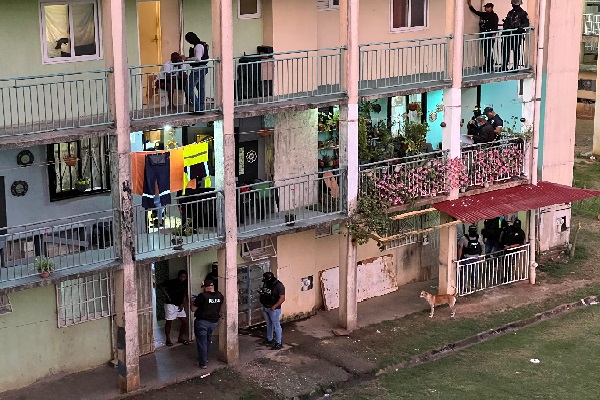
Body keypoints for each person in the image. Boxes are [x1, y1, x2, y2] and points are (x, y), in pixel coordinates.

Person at [191, 279, 223, 369]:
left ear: (205, 287)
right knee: (208, 340)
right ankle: (206, 358)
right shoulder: (220, 295)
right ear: (212, 286)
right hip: (214, 323)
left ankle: (202, 363)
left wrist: (192, 301)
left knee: (202, 342)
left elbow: (193, 309)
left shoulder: (202, 296)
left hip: (202, 322)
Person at [158, 270, 189, 346]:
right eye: (181, 277)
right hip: (170, 304)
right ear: (178, 276)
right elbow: (159, 285)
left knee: (184, 322)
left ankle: (180, 338)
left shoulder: (185, 283)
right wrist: (167, 295)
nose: (182, 278)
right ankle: (168, 339)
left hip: (179, 305)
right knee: (169, 322)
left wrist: (183, 304)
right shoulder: (172, 282)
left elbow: (185, 295)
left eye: (184, 277)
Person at [467, 1, 499, 72]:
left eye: (487, 7)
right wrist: (470, 6)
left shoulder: (494, 16)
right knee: (485, 50)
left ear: (491, 8)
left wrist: (494, 34)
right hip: (483, 34)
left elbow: (495, 26)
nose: (485, 9)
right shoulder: (484, 14)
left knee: (489, 51)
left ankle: (490, 65)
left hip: (489, 35)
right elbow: (476, 12)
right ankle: (486, 64)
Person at [183, 32, 209, 113]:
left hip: (198, 69)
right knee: (201, 88)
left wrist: (187, 59)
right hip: (203, 68)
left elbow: (198, 59)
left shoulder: (198, 46)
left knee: (188, 88)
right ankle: (200, 108)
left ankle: (197, 107)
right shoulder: (202, 45)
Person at [259, 272, 286, 350]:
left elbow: (282, 298)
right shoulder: (266, 283)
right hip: (266, 306)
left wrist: (274, 307)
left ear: (270, 278)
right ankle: (269, 339)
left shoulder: (279, 285)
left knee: (276, 325)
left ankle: (279, 342)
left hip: (274, 309)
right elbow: (266, 293)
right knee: (269, 324)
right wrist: (261, 293)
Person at [501, 0, 530, 72]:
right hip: (508, 34)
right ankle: (504, 66)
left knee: (516, 51)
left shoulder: (523, 13)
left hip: (516, 35)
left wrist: (519, 27)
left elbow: (526, 23)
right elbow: (507, 22)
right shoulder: (510, 13)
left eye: (514, 5)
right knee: (505, 50)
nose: (513, 6)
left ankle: (515, 67)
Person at [457, 224, 484, 292]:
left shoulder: (464, 238)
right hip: (475, 258)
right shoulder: (479, 237)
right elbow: (482, 246)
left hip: (467, 258)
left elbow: (460, 249)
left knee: (464, 273)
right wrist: (482, 256)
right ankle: (474, 286)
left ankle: (462, 287)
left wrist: (459, 259)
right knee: (474, 272)